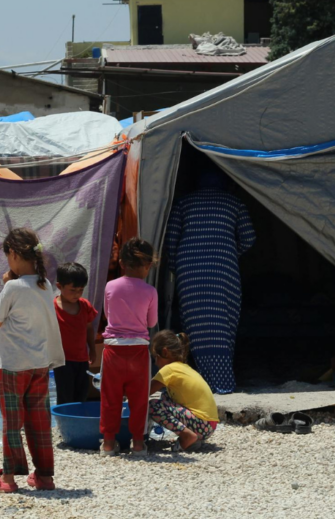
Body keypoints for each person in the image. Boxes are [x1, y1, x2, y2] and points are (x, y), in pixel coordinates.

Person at [0, 227, 65, 493]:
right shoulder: (46, 286)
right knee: (39, 421)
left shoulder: (12, 287)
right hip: (39, 364)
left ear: (13, 254)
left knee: (12, 422)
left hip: (12, 365)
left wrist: (5, 284)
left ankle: (9, 478)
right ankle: (44, 476)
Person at [165, 166, 255, 394]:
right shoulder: (234, 203)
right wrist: (228, 251)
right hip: (223, 268)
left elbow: (171, 240)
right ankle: (222, 379)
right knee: (223, 322)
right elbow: (249, 237)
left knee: (195, 323)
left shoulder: (183, 203)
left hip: (189, 270)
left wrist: (176, 266)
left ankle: (200, 380)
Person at [100, 238, 158, 455]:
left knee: (110, 398)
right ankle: (138, 444)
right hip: (138, 351)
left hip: (113, 350)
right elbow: (151, 323)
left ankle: (108, 444)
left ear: (122, 263)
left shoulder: (110, 286)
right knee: (139, 399)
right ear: (148, 265)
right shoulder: (150, 291)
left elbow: (108, 316)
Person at [149, 330, 218, 452]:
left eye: (156, 357)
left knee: (152, 405)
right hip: (209, 425)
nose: (156, 363)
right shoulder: (184, 367)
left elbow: (145, 392)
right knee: (165, 396)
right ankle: (193, 439)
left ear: (165, 352)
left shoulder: (169, 369)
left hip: (202, 424)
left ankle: (187, 436)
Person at [52, 262, 98, 405]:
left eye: (80, 290)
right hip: (61, 362)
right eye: (72, 290)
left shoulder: (85, 306)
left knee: (81, 395)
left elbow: (89, 328)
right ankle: (63, 419)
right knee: (65, 397)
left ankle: (77, 418)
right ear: (59, 286)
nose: (77, 294)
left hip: (82, 360)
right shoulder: (52, 308)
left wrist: (92, 349)